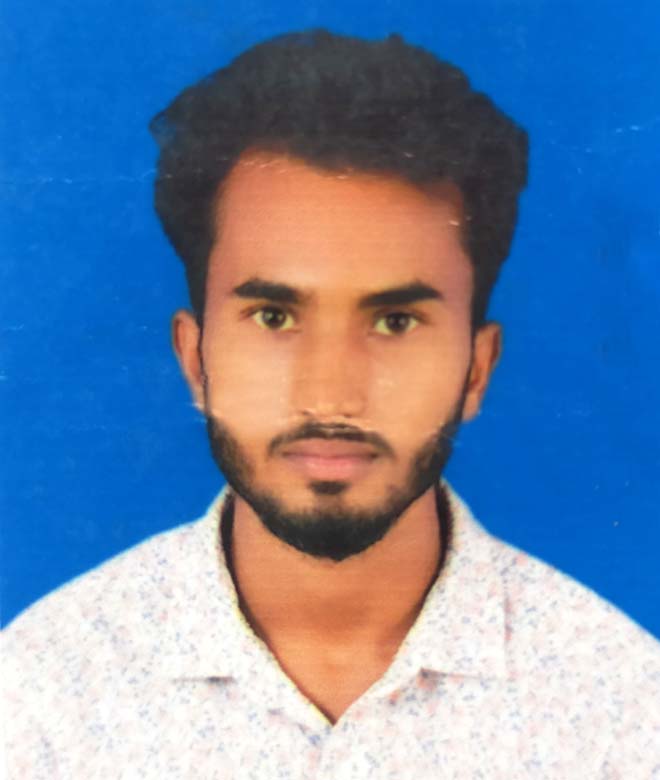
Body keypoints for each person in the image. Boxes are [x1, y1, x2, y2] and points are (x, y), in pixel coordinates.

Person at [3, 30, 659, 779]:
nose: (330, 394)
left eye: (395, 321)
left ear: (477, 370)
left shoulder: (622, 712)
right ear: (194, 359)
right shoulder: (40, 699)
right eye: (273, 317)